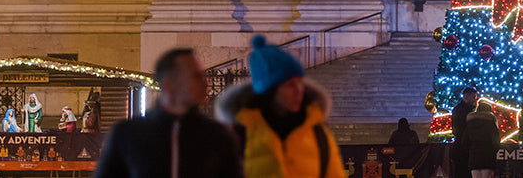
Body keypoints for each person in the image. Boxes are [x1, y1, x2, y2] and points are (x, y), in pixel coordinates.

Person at [93, 47, 243, 178]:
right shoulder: (128, 134)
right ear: (169, 85)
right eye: (196, 77)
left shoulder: (217, 135)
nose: (205, 83)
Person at [215, 34, 346, 178]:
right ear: (270, 92)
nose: (299, 90)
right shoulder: (239, 137)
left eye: (300, 83)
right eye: (290, 85)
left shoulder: (318, 135)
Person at [459, 100, 501, 178]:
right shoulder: (491, 124)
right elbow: (496, 142)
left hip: (474, 158)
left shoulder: (470, 123)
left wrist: (471, 151)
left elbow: (464, 141)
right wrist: (493, 152)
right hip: (488, 157)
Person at [450, 86, 480, 177]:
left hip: (462, 146)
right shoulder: (467, 110)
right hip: (464, 147)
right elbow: (458, 129)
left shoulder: (458, 109)